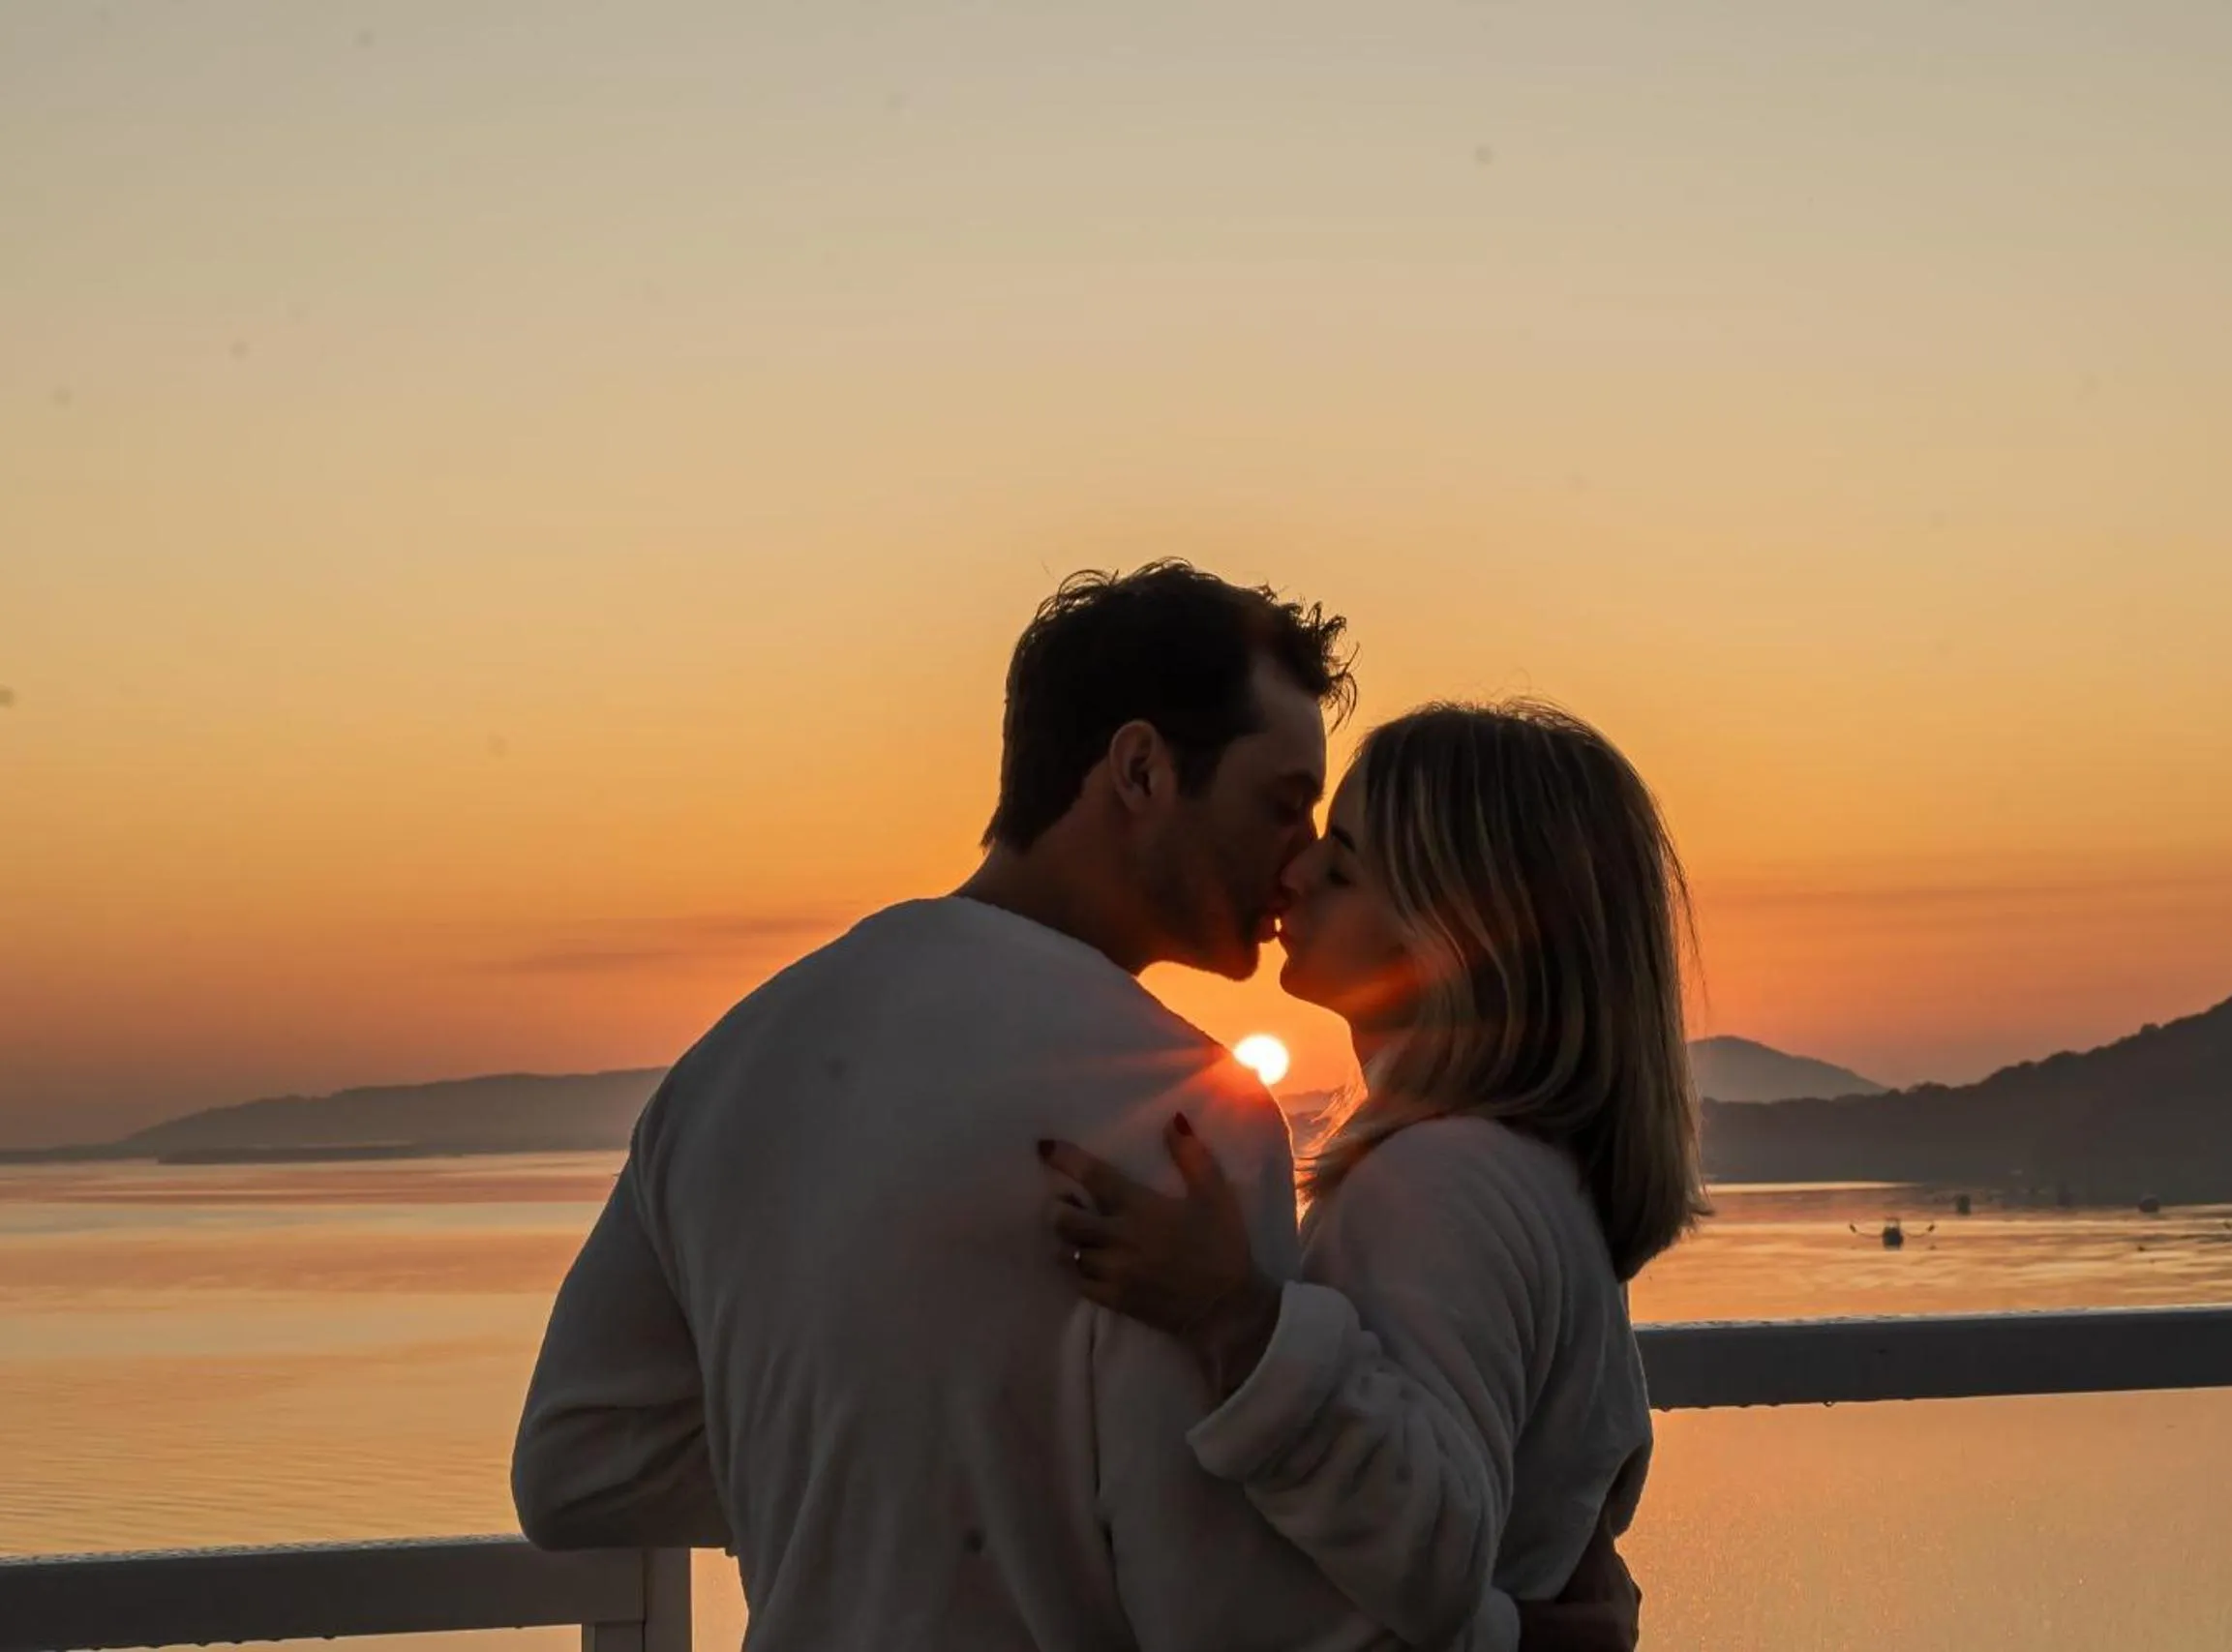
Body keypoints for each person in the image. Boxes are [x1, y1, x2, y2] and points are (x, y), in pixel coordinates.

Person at [511, 564, 1626, 1651]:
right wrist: (1511, 1634)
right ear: (1138, 769)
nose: (1298, 864)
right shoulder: (1184, 1117)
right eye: (1282, 807)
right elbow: (1223, 1615)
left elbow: (576, 1466)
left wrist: (858, 1470)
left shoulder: (725, 1072)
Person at [1041, 701, 1704, 1652]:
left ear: (1449, 942)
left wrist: (1232, 1318)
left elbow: (1432, 1552)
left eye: (1342, 866)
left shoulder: (1441, 1181)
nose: (1296, 869)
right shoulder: (1519, 1172)